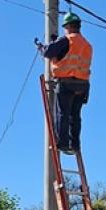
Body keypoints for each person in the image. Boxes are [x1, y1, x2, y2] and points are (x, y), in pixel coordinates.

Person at [39, 12, 93, 154]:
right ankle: (75, 145)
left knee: (62, 114)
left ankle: (62, 143)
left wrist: (41, 48)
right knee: (75, 115)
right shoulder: (87, 44)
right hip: (82, 84)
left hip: (66, 83)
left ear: (68, 26)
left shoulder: (66, 40)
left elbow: (48, 52)